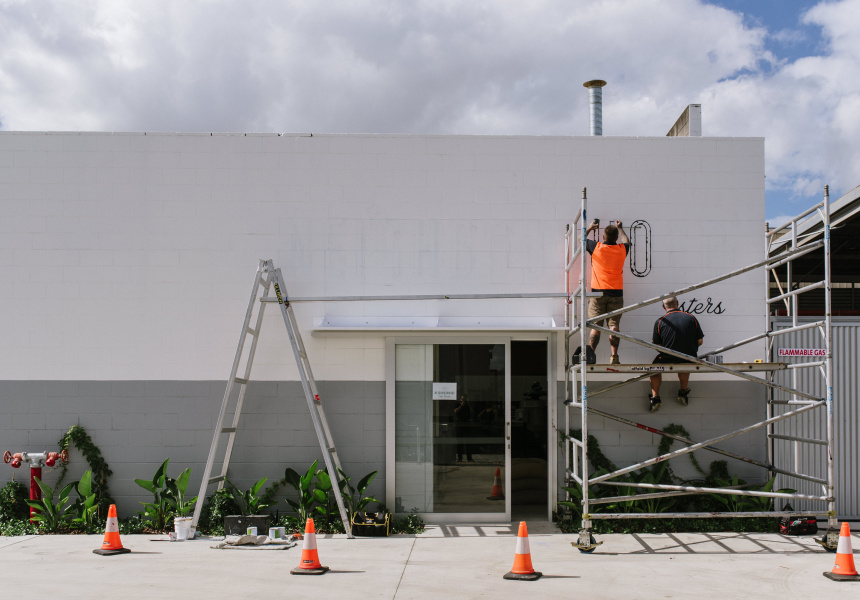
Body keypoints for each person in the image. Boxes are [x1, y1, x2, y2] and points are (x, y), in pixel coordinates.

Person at [648, 296, 705, 412]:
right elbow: (700, 341)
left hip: (667, 357)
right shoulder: (691, 318)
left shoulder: (660, 321)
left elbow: (656, 345)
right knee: (685, 363)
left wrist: (667, 351)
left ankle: (655, 398)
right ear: (677, 303)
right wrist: (689, 348)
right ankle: (683, 392)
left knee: (653, 368)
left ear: (663, 306)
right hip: (688, 357)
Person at [585, 219, 630, 364]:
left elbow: (581, 239)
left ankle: (591, 356)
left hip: (598, 293)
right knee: (614, 326)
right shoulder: (621, 249)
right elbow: (627, 241)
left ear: (603, 237)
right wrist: (620, 228)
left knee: (595, 326)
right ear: (616, 238)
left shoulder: (596, 247)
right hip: (616, 292)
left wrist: (590, 228)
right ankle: (614, 357)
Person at [452, 394, 474, 462]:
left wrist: (469, 404)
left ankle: (469, 458)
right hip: (459, 425)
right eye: (462, 399)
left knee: (468, 442)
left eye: (464, 399)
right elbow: (455, 411)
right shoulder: (457, 404)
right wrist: (461, 405)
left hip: (467, 425)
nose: (463, 400)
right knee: (459, 442)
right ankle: (460, 458)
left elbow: (472, 412)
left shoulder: (468, 405)